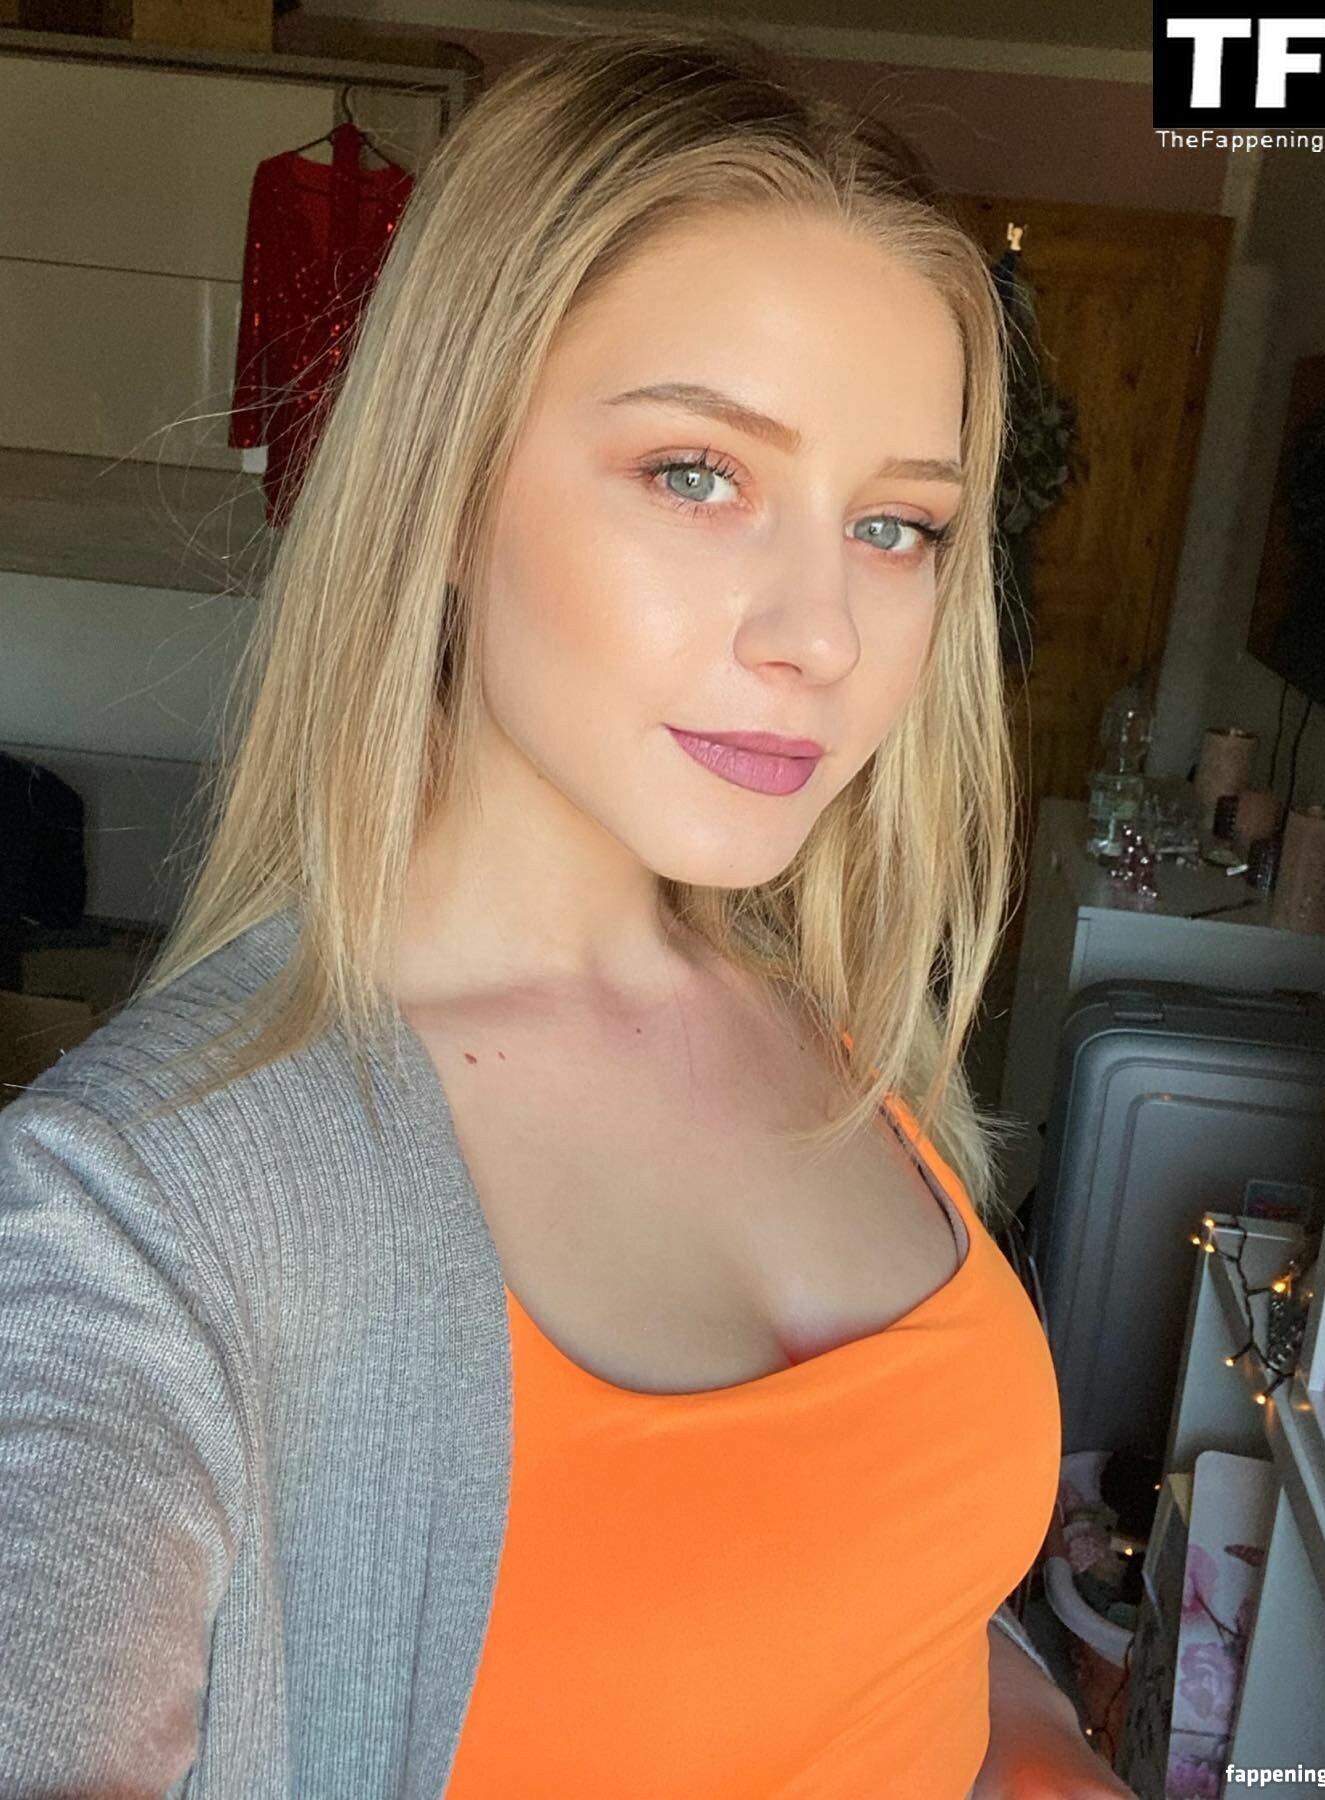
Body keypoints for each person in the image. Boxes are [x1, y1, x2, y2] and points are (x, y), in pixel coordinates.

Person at [0, 20, 1133, 1797]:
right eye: (697, 474)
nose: (821, 636)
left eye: (896, 527)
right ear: (444, 485)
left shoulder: (830, 1022)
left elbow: (883, 1600)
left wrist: (1047, 1747)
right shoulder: (134, 1222)